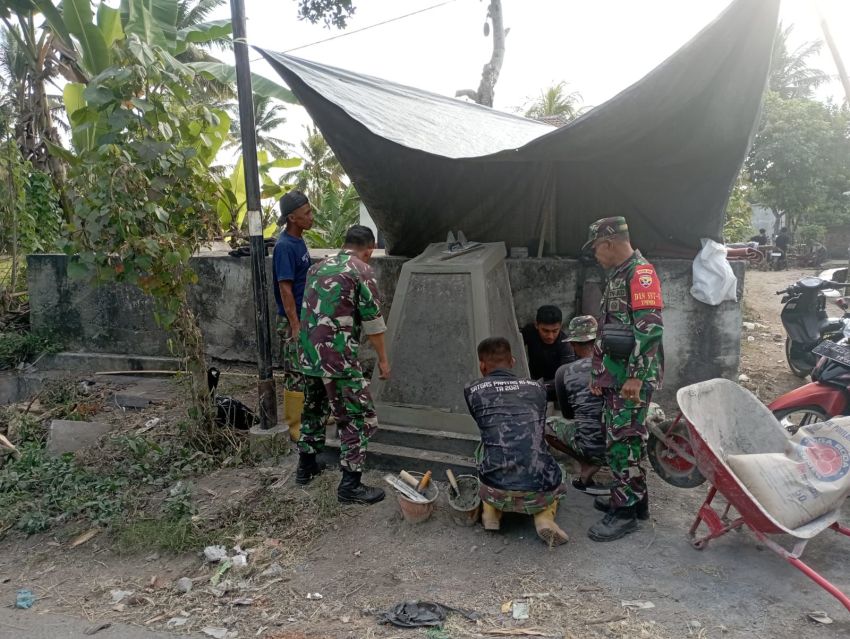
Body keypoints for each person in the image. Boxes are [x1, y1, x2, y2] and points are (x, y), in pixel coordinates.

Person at [296, 225, 391, 504]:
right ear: (370, 248)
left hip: (308, 356)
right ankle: (351, 486)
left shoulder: (317, 267)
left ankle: (306, 468)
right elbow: (373, 322)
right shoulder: (361, 269)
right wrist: (383, 361)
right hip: (337, 359)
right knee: (358, 418)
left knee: (313, 410)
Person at [583, 216, 664, 542]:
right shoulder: (620, 274)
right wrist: (601, 375)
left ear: (609, 243)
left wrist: (635, 377)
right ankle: (635, 499)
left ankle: (625, 512)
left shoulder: (640, 274)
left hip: (630, 380)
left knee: (623, 442)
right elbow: (617, 330)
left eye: (596, 249)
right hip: (616, 377)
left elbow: (650, 329)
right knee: (624, 437)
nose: (596, 256)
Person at [464, 337, 569, 546]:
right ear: (512, 361)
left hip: (495, 487)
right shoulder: (536, 388)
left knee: (486, 443)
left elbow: (485, 424)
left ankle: (491, 513)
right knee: (555, 465)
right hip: (539, 487)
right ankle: (544, 517)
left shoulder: (471, 390)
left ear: (482, 366)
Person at [547, 315, 611, 496]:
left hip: (590, 447)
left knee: (547, 426)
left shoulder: (564, 372)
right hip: (623, 445)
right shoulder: (616, 366)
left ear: (573, 344)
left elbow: (568, 415)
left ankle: (586, 463)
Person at [273, 190, 314, 445]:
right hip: (292, 321)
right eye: (306, 213)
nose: (311, 217)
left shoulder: (299, 240)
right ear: (292, 218)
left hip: (303, 316)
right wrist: (295, 325)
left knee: (307, 370)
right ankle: (294, 425)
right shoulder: (285, 246)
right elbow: (285, 289)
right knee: (295, 373)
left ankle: (307, 415)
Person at [520, 305, 576, 402]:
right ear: (536, 325)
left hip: (556, 389)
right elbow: (515, 346)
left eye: (555, 331)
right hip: (532, 381)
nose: (550, 336)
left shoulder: (565, 345)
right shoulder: (529, 332)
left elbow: (566, 376)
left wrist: (538, 386)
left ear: (560, 326)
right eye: (545, 331)